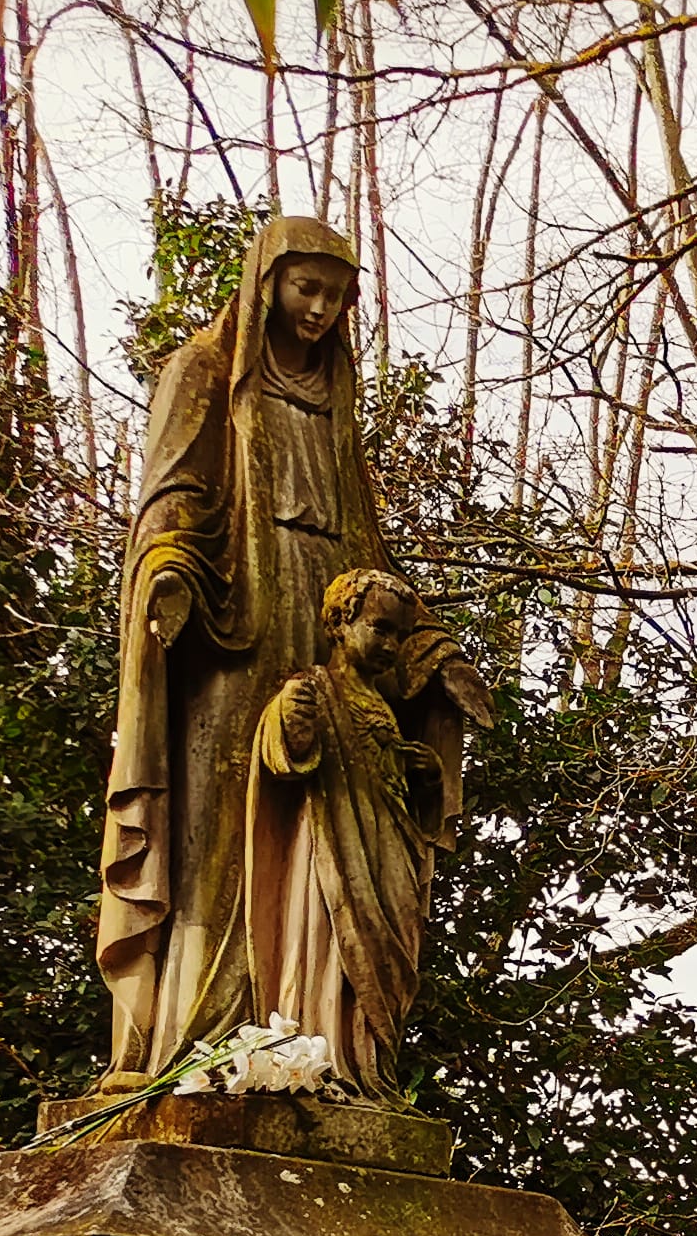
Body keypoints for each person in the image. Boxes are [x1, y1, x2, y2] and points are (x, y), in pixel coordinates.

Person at [93, 213, 479, 1083]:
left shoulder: (335, 400)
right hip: (235, 633)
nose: (319, 311)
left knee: (321, 842)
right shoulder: (201, 372)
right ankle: (186, 1047)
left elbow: (370, 553)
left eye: (337, 298)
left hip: (331, 636)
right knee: (219, 831)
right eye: (308, 289)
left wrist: (426, 651)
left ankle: (302, 1042)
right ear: (266, 284)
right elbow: (169, 505)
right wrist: (168, 577)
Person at [249, 570, 451, 1091]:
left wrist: (426, 779)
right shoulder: (312, 688)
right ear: (340, 623)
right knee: (332, 951)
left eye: (401, 636)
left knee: (388, 962)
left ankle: (372, 1073)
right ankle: (322, 1064)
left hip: (389, 854)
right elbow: (285, 758)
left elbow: (402, 798)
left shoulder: (384, 705)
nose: (392, 646)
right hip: (335, 851)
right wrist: (290, 725)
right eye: (380, 628)